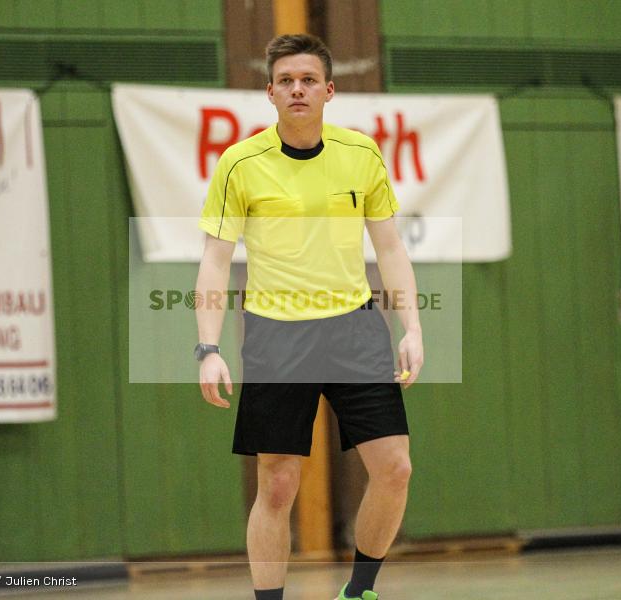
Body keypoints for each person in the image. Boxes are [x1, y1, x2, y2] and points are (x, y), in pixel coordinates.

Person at [194, 34, 423, 600]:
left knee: (395, 469)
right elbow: (215, 260)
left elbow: (391, 249)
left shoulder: (361, 154)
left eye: (309, 80)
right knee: (276, 486)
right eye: (287, 81)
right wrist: (208, 348)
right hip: (277, 334)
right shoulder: (239, 164)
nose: (298, 89)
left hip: (354, 327)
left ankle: (359, 591)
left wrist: (413, 328)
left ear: (329, 90)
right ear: (270, 92)